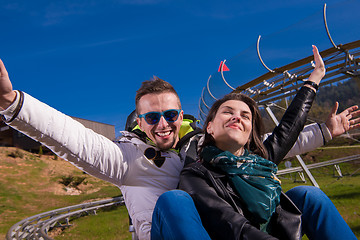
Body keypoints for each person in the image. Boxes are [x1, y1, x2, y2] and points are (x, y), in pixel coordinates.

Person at [0, 52, 359, 239]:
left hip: (223, 231)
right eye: (152, 118)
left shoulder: (204, 145)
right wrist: (14, 104)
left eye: (169, 115)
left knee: (305, 195)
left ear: (181, 114)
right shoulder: (128, 158)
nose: (163, 124)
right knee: (175, 200)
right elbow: (75, 140)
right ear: (139, 122)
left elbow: (265, 147)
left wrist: (326, 131)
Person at [152, 46, 358, 240]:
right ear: (210, 127)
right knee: (173, 199)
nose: (237, 118)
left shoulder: (259, 162)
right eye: (227, 112)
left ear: (250, 133)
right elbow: (228, 221)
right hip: (233, 235)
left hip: (268, 231)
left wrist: (315, 79)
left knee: (308, 194)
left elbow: (288, 128)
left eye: (245, 116)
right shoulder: (196, 173)